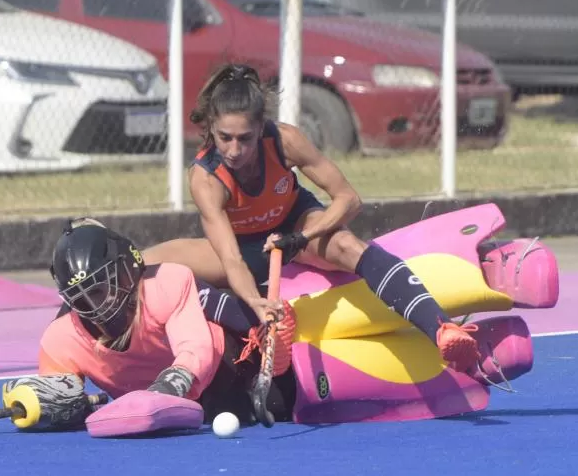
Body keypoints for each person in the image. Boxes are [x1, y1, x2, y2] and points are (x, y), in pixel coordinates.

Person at [142, 62, 480, 373]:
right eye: (224, 138)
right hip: (242, 247)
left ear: (261, 128)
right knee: (144, 266)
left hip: (295, 222)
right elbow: (231, 259)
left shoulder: (285, 140)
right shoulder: (206, 178)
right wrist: (258, 305)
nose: (233, 150)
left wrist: (302, 239)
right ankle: (253, 329)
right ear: (211, 131)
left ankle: (441, 329)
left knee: (347, 245)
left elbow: (348, 199)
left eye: (244, 139)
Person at [28, 217, 297, 427]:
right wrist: (46, 405)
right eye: (82, 298)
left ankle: (277, 353)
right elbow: (57, 397)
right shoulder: (59, 339)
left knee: (274, 406)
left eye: (99, 290)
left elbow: (196, 348)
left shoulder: (166, 282)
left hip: (224, 369)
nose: (97, 306)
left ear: (125, 272)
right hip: (156, 406)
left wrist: (167, 387)